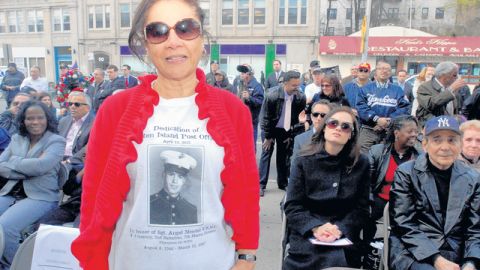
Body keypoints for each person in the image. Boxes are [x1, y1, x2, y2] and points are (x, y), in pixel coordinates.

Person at [71, 1, 259, 270]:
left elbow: (246, 190)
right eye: (158, 31)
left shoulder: (233, 111)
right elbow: (93, 197)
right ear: (146, 43)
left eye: (186, 28)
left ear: (201, 38)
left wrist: (247, 257)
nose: (173, 41)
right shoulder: (115, 110)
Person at [389, 116, 480, 270]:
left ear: (459, 145)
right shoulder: (407, 173)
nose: (445, 147)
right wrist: (437, 260)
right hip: (414, 251)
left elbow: (475, 229)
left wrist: (471, 262)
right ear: (424, 144)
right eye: (437, 140)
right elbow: (404, 224)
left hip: (459, 251)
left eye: (452, 140)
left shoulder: (473, 178)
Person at [283, 107, 369, 269]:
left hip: (343, 234)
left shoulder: (361, 163)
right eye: (333, 123)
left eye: (345, 126)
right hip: (307, 234)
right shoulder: (303, 160)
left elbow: (361, 208)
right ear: (324, 128)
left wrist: (339, 229)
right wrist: (315, 227)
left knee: (339, 261)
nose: (338, 128)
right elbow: (293, 206)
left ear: (351, 134)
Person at [0, 100, 65, 268]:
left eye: (39, 117)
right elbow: (1, 166)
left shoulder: (56, 141)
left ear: (47, 119)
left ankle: (15, 265)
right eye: (30, 118)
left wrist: (14, 161)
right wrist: (29, 167)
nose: (35, 122)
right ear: (23, 120)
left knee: (6, 227)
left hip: (41, 196)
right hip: (11, 192)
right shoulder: (17, 138)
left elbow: (42, 166)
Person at [364, 115, 422, 256]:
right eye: (410, 131)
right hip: (380, 199)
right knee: (363, 216)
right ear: (396, 133)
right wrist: (369, 203)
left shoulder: (420, 156)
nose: (414, 134)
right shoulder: (378, 151)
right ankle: (366, 252)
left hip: (406, 203)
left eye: (416, 131)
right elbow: (367, 182)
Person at [259, 70, 306, 196]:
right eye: (294, 85)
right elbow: (266, 118)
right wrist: (268, 137)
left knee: (283, 156)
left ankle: (282, 183)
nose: (297, 88)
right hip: (270, 126)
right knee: (266, 153)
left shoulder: (300, 97)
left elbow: (298, 120)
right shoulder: (272, 95)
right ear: (285, 83)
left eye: (298, 84)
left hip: (285, 129)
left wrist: (291, 135)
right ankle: (261, 184)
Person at [356, 61, 410, 153]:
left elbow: (405, 107)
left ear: (390, 73)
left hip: (390, 131)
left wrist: (389, 121)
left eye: (387, 69)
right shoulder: (365, 89)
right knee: (363, 159)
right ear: (376, 71)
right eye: (381, 68)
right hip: (368, 130)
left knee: (387, 159)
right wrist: (377, 119)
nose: (384, 71)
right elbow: (361, 107)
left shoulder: (397, 90)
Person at [150, 150, 198, 225]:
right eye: (171, 174)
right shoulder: (149, 203)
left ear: (184, 181)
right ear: (163, 175)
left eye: (180, 177)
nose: (175, 181)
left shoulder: (191, 210)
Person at [416, 62, 467, 127]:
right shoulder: (425, 87)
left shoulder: (452, 87)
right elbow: (430, 104)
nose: (457, 78)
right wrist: (451, 90)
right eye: (454, 75)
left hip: (449, 127)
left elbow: (455, 110)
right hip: (432, 127)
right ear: (444, 75)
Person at [235, 64, 264, 146]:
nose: (241, 74)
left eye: (243, 73)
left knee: (250, 146)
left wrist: (249, 98)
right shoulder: (240, 84)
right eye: (241, 73)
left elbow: (260, 102)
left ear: (249, 74)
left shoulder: (257, 86)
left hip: (251, 121)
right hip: (240, 120)